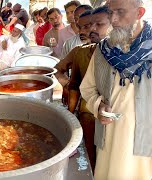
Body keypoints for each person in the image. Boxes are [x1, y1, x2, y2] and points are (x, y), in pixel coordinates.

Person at [80, 0, 152, 178]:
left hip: (145, 145)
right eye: (111, 12)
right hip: (109, 140)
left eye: (120, 12)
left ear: (140, 13)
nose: (114, 19)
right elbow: (87, 88)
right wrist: (98, 106)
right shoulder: (103, 50)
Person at [66, 6, 111, 170]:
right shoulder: (80, 52)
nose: (91, 29)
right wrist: (70, 115)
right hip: (88, 115)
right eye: (87, 25)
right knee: (91, 160)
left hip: (115, 120)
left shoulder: (123, 55)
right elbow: (75, 86)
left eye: (98, 24)